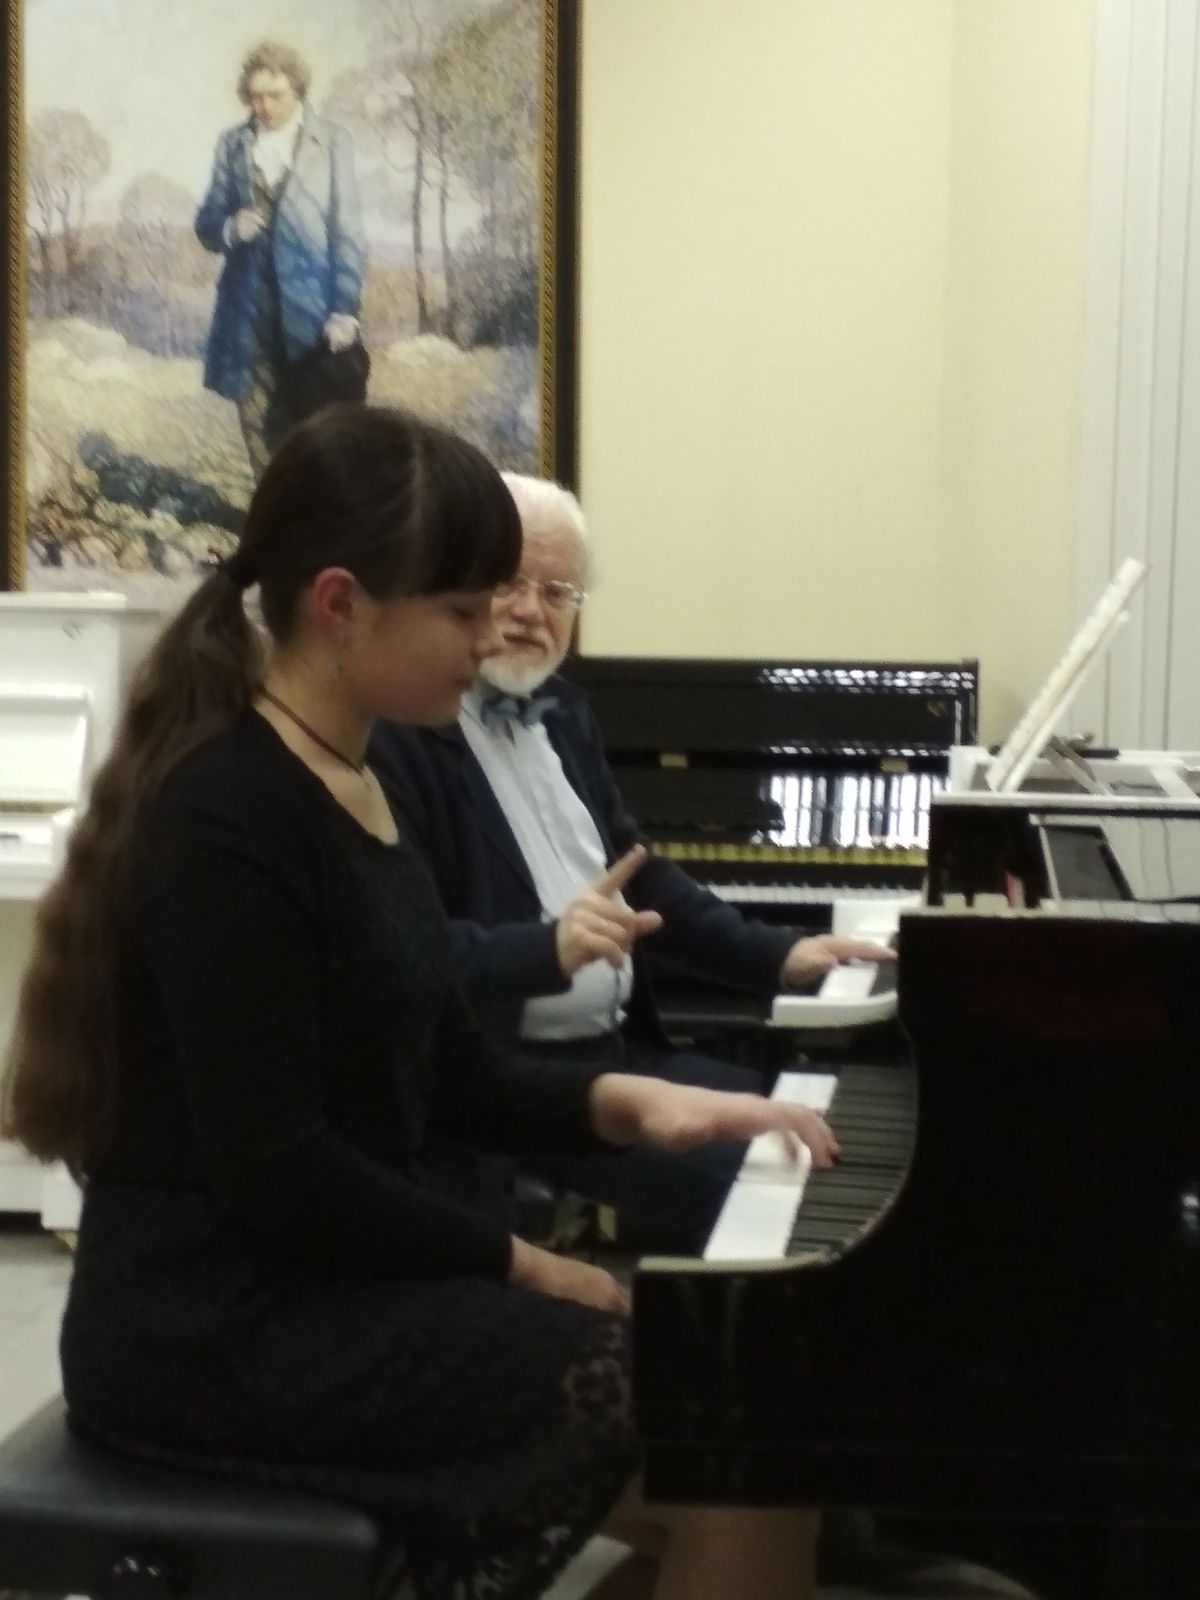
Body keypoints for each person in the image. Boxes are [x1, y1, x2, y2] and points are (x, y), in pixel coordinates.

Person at [0, 406, 849, 1600]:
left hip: (325, 1280)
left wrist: (633, 1104)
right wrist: (522, 1262)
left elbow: (451, 1069)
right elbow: (279, 1166)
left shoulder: (352, 775)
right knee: (725, 1430)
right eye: (461, 607)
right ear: (341, 604)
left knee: (745, 1438)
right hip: (216, 1327)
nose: (491, 633)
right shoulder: (225, 813)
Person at [369, 473, 894, 1249]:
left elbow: (639, 878)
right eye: (510, 582)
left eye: (557, 592)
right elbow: (402, 957)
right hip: (510, 1085)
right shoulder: (402, 736)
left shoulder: (565, 713)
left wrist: (782, 955)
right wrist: (546, 947)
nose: (531, 611)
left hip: (617, 1051)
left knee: (826, 1133)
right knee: (792, 1180)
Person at [195, 40, 366, 478]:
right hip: (246, 312)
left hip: (312, 316)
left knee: (316, 428)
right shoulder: (233, 145)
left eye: (275, 95)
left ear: (298, 91)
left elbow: (347, 231)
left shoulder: (332, 142)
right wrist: (230, 226)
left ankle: (315, 512)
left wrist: (345, 309)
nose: (264, 106)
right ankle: (273, 511)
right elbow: (206, 223)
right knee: (256, 423)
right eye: (255, 96)